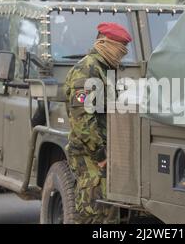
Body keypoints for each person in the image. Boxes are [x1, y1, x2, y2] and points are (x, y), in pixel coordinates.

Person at [64, 22, 132, 224]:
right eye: (119, 49)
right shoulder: (87, 70)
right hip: (91, 157)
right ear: (106, 43)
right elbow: (82, 119)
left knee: (107, 215)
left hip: (101, 155)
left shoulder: (104, 70)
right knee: (93, 215)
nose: (121, 55)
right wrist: (100, 154)